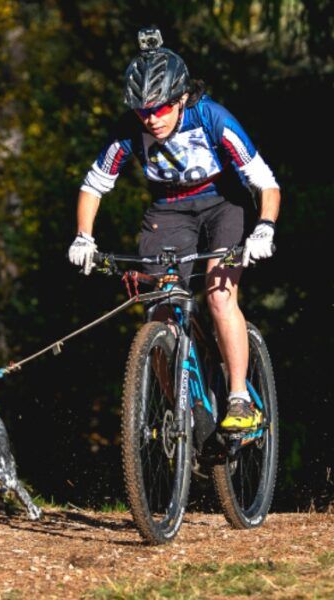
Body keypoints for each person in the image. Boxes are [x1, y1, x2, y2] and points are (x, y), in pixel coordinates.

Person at [67, 28, 280, 430]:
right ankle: (182, 411)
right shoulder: (130, 129)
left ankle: (238, 399)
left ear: (181, 98)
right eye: (143, 110)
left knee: (219, 296)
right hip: (169, 208)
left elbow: (265, 182)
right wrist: (84, 237)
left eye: (161, 108)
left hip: (224, 203)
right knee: (160, 308)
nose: (152, 119)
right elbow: (93, 185)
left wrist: (264, 228)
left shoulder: (213, 118)